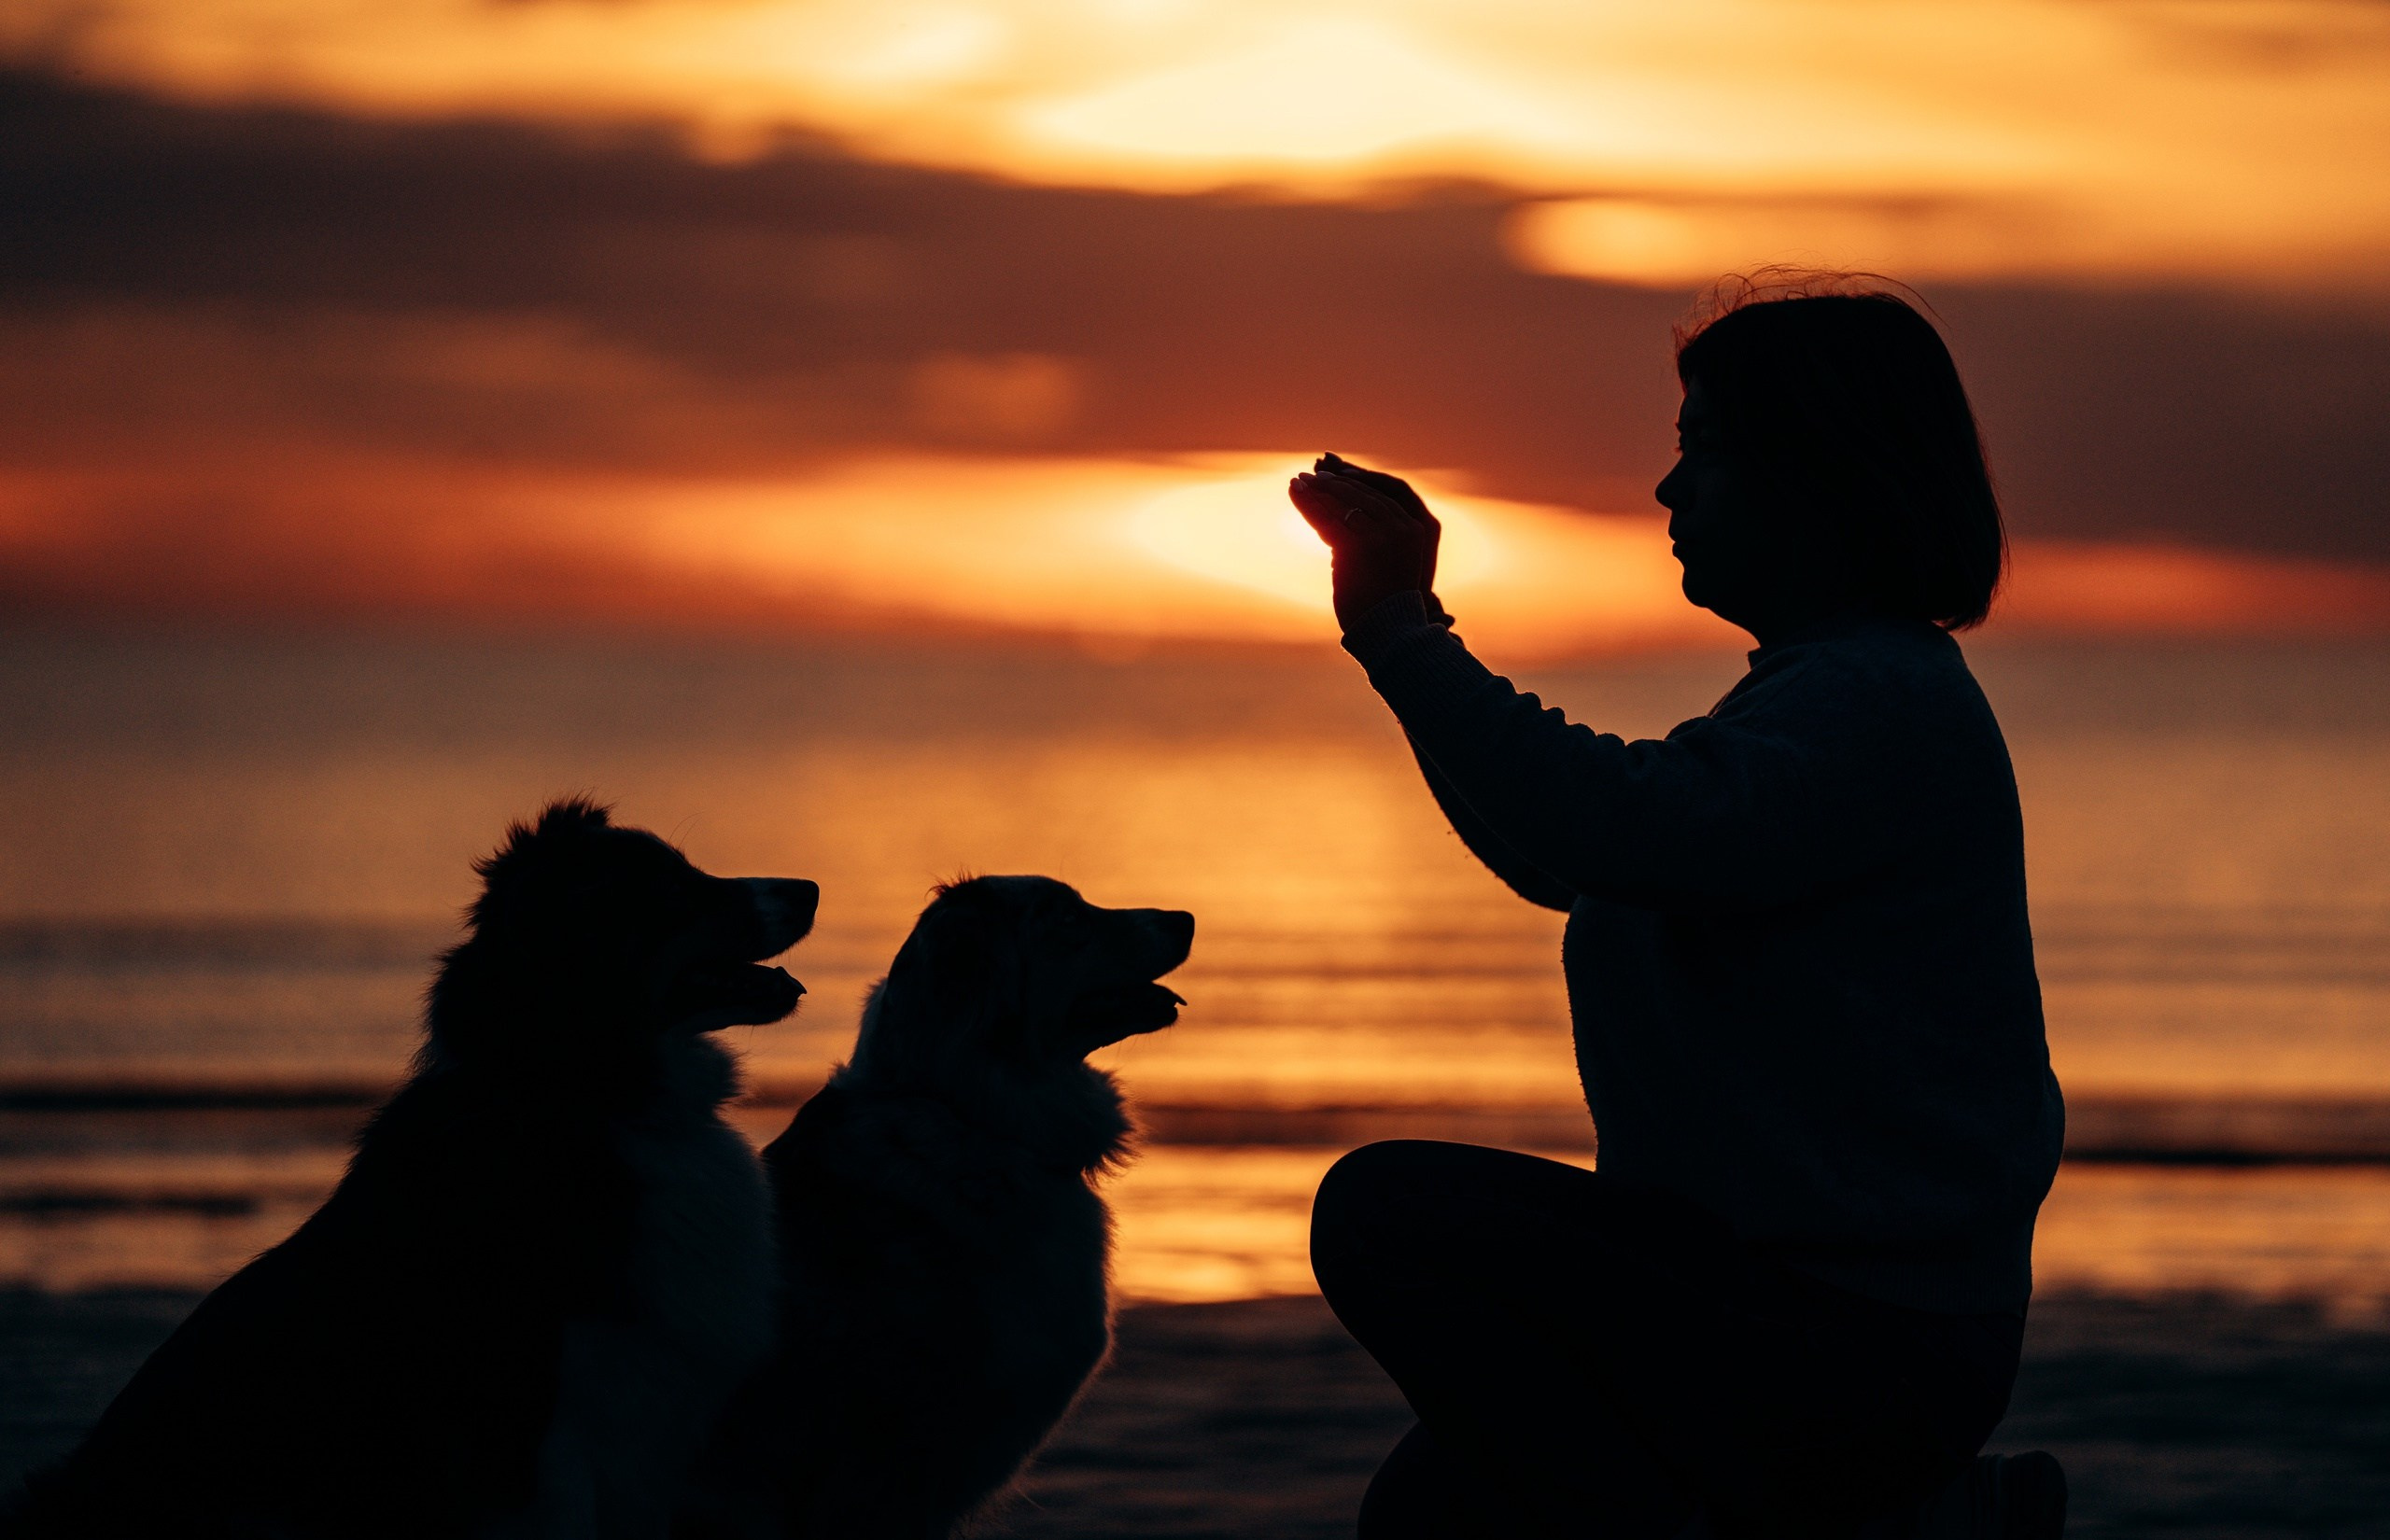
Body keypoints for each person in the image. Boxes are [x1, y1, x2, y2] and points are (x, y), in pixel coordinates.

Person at [1287, 278, 2068, 1540]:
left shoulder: (1878, 700)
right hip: (1769, 1304)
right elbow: (1574, 855)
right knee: (1434, 1506)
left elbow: (1604, 826)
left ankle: (1876, 1525)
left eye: (1705, 450)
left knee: (1387, 1218)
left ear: (1820, 476)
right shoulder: (1823, 692)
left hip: (1856, 1338)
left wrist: (1400, 630)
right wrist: (1403, 629)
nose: (1669, 489)